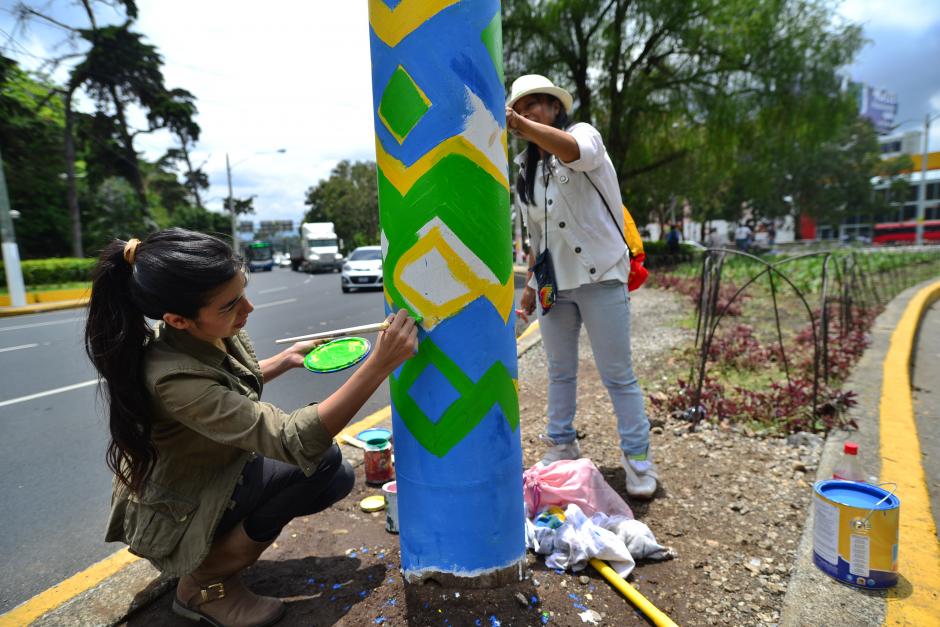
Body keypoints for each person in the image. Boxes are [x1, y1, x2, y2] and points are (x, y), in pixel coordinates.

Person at [84, 228, 417, 627]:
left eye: (243, 291)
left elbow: (227, 386)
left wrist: (287, 359)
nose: (248, 308)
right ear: (177, 320)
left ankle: (218, 553)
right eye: (231, 305)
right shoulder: (173, 378)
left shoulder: (204, 333)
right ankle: (202, 584)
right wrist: (379, 365)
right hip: (181, 506)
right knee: (320, 460)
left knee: (336, 478)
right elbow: (292, 439)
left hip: (216, 471)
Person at [506, 74, 657, 499]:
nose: (530, 111)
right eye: (522, 105)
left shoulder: (583, 135)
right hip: (556, 285)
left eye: (537, 103)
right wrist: (531, 287)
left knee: (617, 375)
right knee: (559, 371)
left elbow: (577, 153)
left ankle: (638, 460)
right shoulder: (525, 169)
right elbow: (538, 235)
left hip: (601, 274)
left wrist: (521, 125)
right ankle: (561, 443)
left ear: (556, 108)